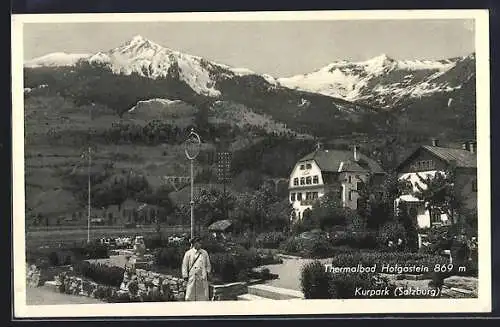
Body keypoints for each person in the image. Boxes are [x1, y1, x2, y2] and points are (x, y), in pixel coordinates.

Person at [181, 236, 212, 301]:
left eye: (200, 243)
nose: (200, 244)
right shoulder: (188, 253)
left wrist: (207, 272)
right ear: (194, 243)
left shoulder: (204, 253)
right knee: (190, 295)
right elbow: (184, 265)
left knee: (202, 296)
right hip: (192, 277)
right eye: (198, 243)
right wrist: (185, 275)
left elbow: (208, 264)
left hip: (202, 277)